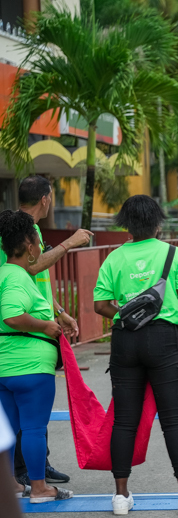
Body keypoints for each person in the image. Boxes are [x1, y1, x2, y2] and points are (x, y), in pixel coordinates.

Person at [92, 195, 178, 516]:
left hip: (125, 340)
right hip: (163, 338)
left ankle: (121, 496)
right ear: (159, 223)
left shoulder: (114, 258)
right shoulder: (174, 254)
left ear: (126, 225)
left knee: (125, 420)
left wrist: (126, 310)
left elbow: (99, 305)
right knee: (173, 420)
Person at [4, 175, 91, 487]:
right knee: (30, 419)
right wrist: (69, 243)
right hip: (25, 340)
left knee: (23, 419)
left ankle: (34, 468)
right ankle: (31, 476)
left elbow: (29, 286)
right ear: (45, 199)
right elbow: (30, 269)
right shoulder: (20, 231)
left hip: (26, 336)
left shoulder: (20, 229)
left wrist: (60, 311)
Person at [0, 210, 73, 503]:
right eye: (39, 243)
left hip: (6, 365)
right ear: (30, 246)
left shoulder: (4, 273)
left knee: (11, 428)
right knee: (33, 428)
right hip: (29, 367)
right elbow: (13, 315)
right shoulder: (17, 277)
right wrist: (47, 326)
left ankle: (11, 486)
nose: (41, 247)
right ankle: (40, 488)